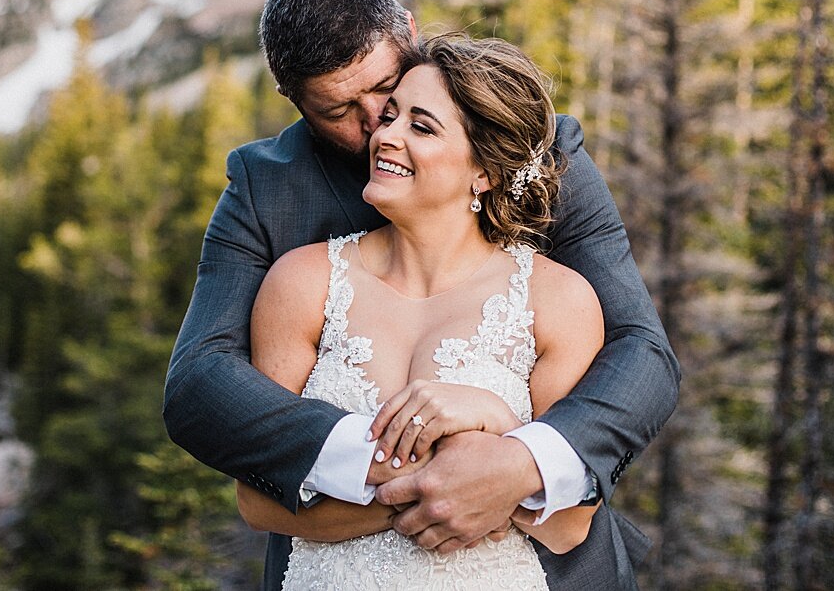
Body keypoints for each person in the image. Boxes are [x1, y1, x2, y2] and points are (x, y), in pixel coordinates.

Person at [163, 0, 677, 590]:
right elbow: (198, 381)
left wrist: (518, 462)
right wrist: (381, 465)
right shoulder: (268, 192)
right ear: (295, 101)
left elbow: (642, 350)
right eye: (337, 110)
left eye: (387, 87)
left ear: (407, 31)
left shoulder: (542, 155)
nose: (377, 123)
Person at [237, 33, 600, 587]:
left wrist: (500, 423)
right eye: (391, 116)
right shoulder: (302, 282)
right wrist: (438, 489)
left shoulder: (558, 302)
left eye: (420, 126)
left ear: (485, 172)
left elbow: (570, 524)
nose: (384, 136)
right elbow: (257, 501)